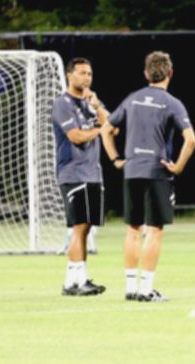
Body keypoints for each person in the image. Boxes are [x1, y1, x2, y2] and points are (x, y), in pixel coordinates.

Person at [102, 51, 195, 302]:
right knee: (154, 230)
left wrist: (115, 159)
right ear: (170, 73)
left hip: (132, 170)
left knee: (133, 229)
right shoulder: (172, 103)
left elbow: (106, 129)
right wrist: (178, 167)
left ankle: (130, 287)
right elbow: (191, 140)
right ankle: (146, 289)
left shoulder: (132, 99)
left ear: (146, 74)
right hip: (157, 172)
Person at [52, 57, 109, 296]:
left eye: (90, 73)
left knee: (85, 228)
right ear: (69, 75)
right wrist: (99, 130)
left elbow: (113, 126)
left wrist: (97, 106)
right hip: (73, 173)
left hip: (92, 173)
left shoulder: (90, 102)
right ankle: (74, 282)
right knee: (79, 227)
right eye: (82, 73)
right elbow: (75, 136)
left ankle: (77, 279)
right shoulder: (62, 104)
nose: (87, 77)